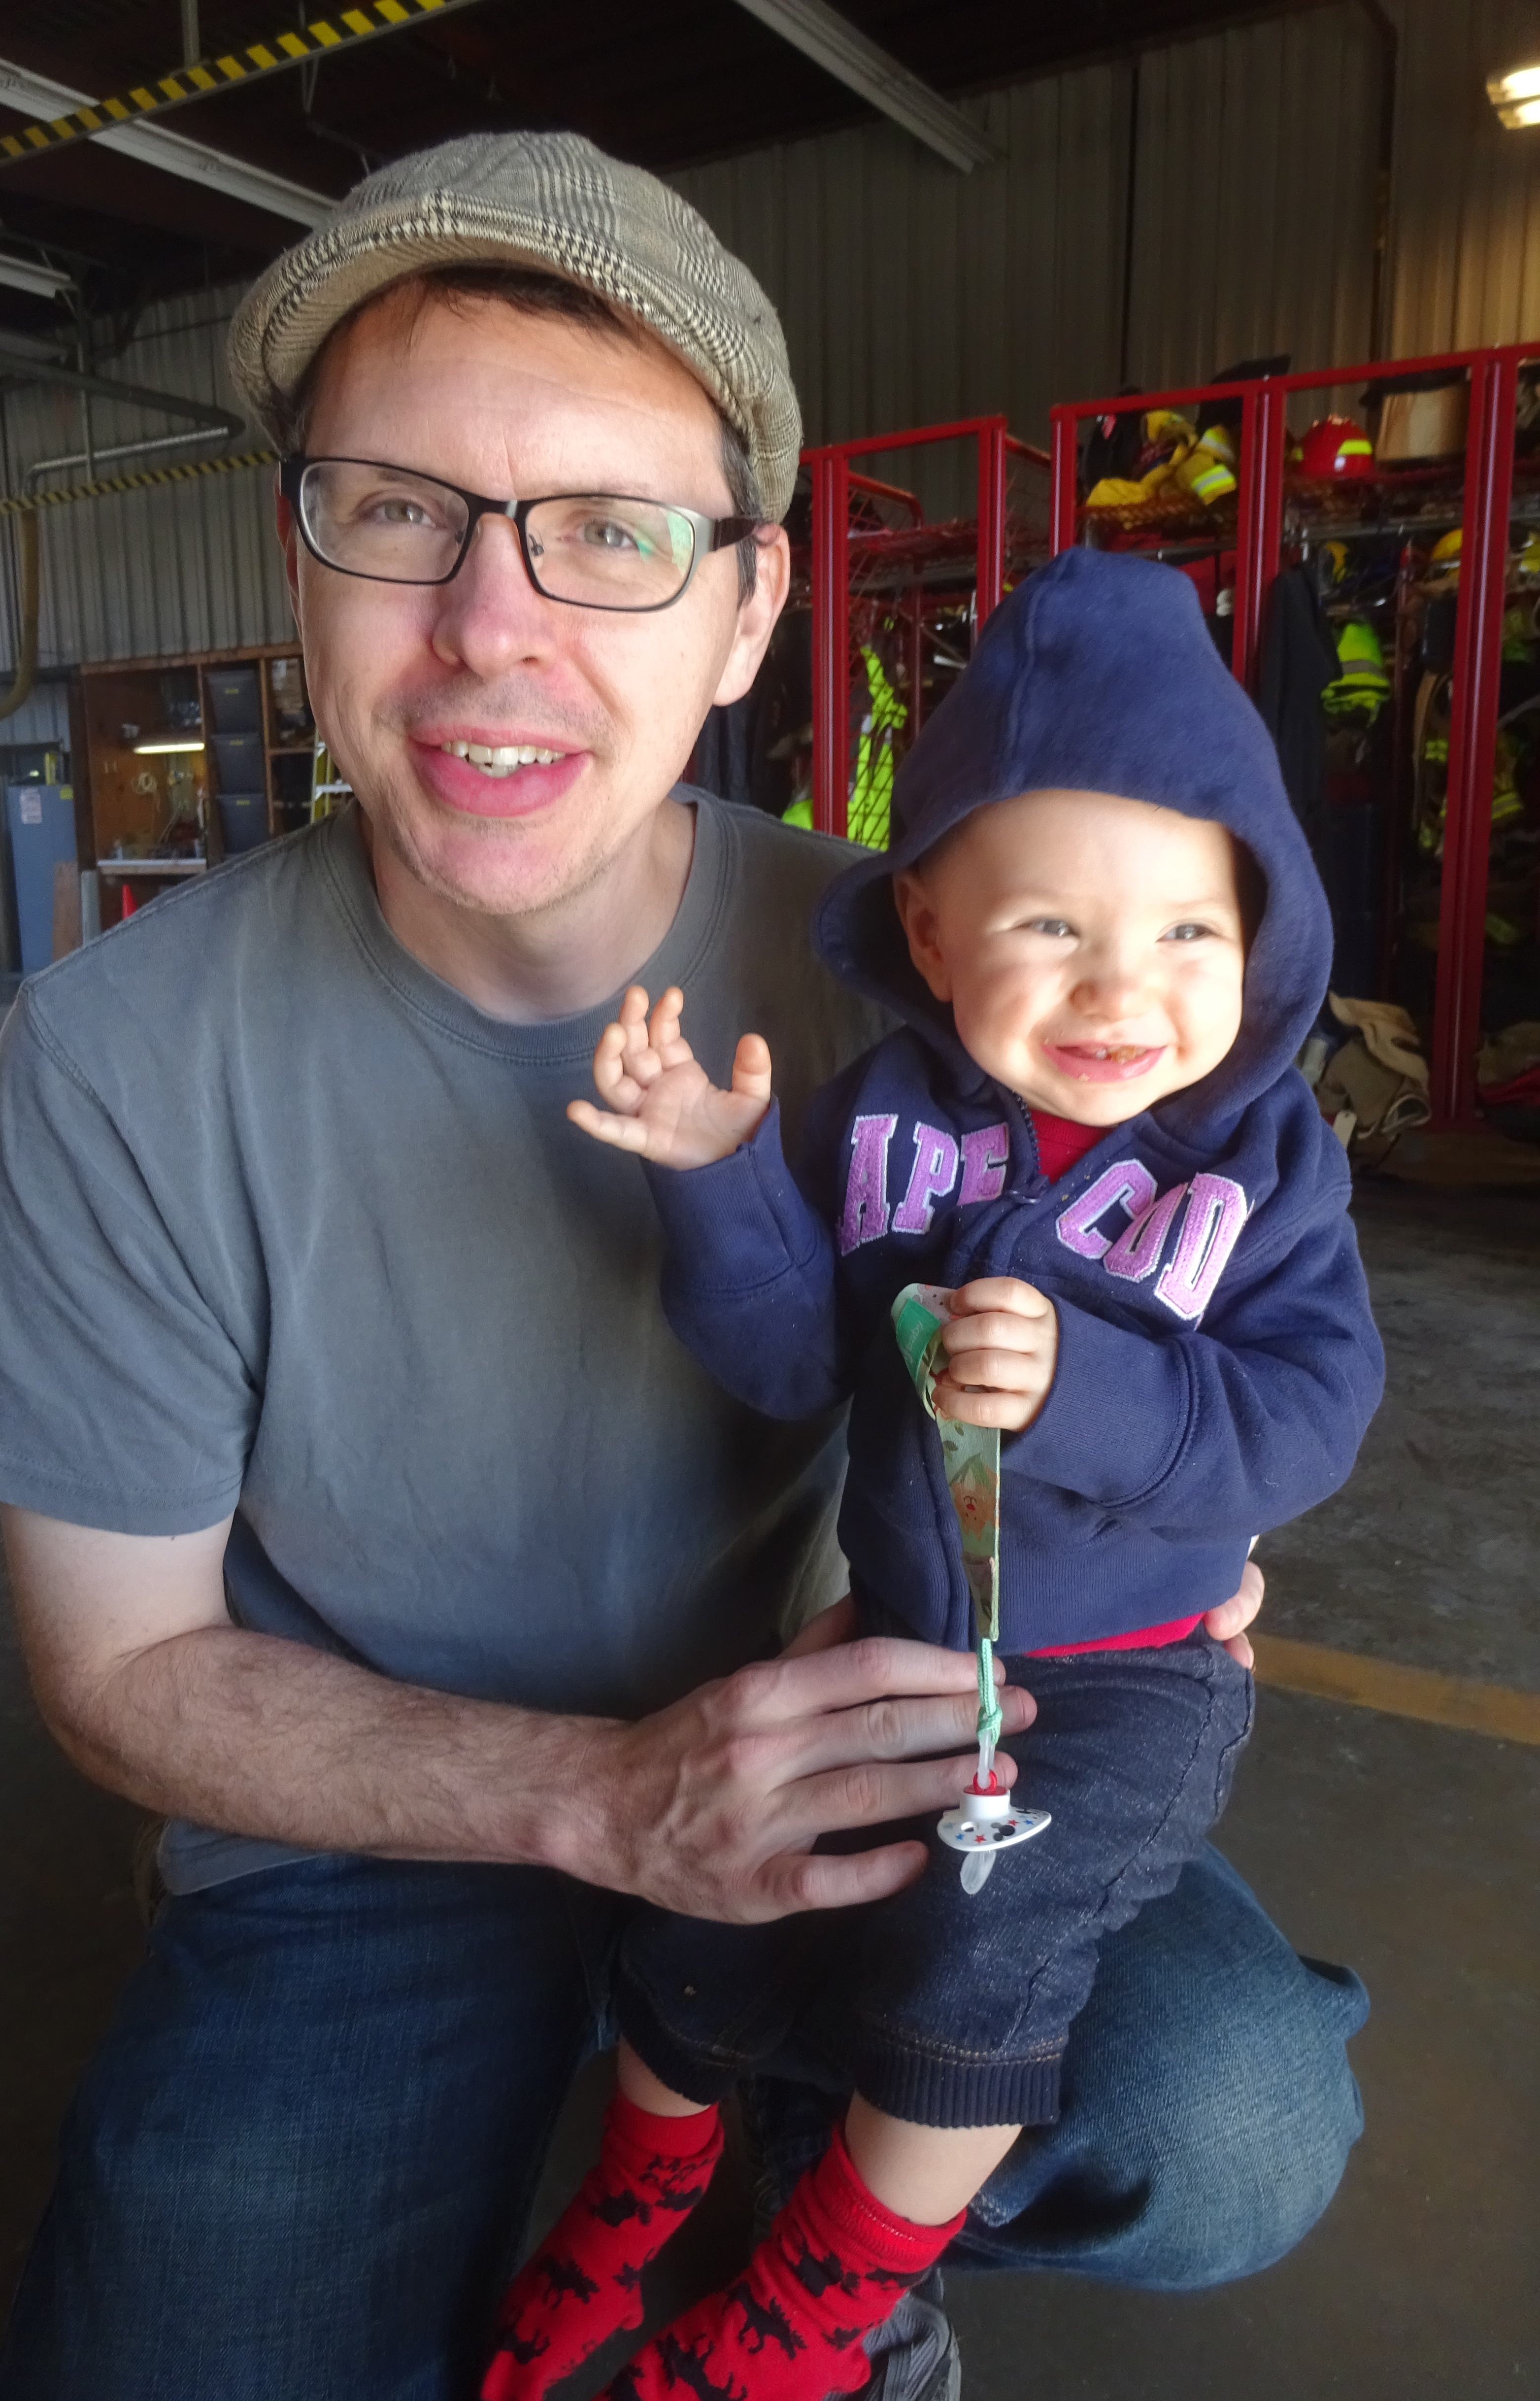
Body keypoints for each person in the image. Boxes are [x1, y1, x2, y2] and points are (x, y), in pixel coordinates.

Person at [0, 134, 1363, 2401]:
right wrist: (598, 1797)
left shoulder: (927, 973)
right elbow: (120, 1671)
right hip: (366, 1840)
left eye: (610, 532)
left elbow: (1209, 1311)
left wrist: (1161, 1506)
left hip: (852, 1740)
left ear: (749, 609)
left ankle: (805, 2221)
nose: (489, 624)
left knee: (1229, 2111)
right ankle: (698, 2168)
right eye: (398, 510)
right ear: (299, 561)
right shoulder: (121, 1055)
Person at [482, 550, 1384, 2401]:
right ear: (930, 928)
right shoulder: (890, 1116)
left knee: (984, 1947)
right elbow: (790, 1360)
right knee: (721, 1895)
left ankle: (826, 2292)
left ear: (1262, 931)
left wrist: (1092, 1395)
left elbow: (1310, 1414)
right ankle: (646, 2178)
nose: (1124, 988)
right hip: (896, 1630)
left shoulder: (1264, 1171)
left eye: (1189, 931)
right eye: (1051, 924)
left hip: (1121, 1683)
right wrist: (720, 1175)